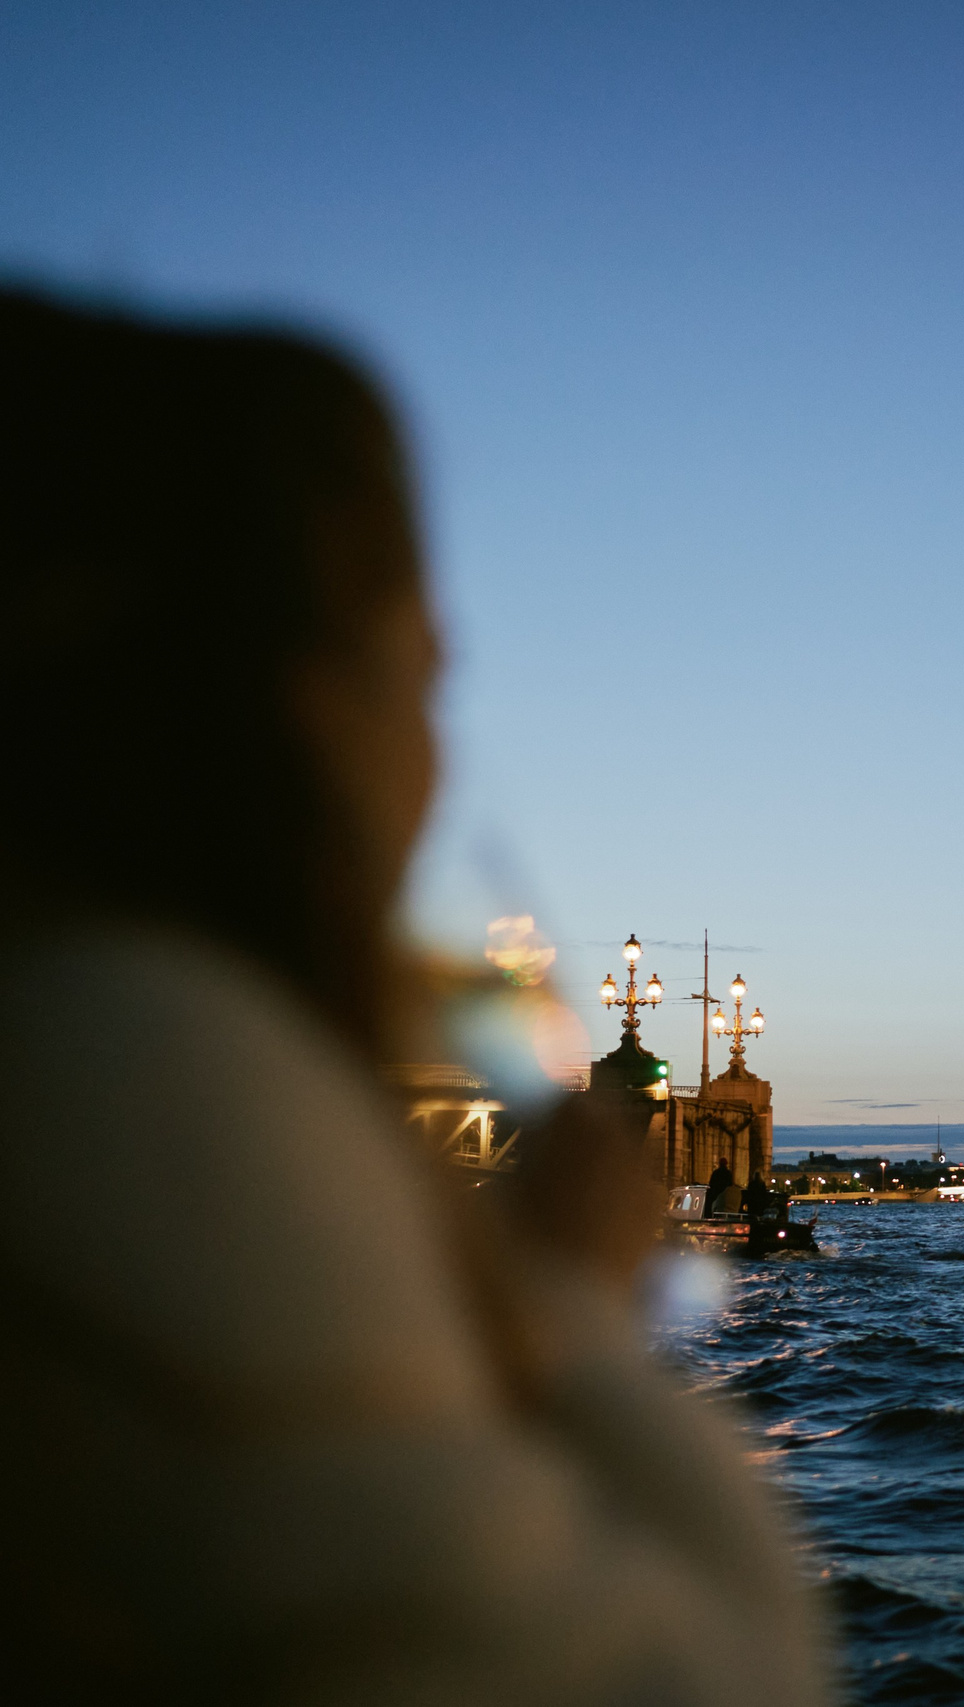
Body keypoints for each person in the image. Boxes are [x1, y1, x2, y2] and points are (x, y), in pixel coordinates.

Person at [0, 285, 828, 1704]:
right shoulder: (166, 1100)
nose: (442, 690)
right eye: (409, 632)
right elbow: (715, 1680)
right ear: (293, 693)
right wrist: (564, 1304)